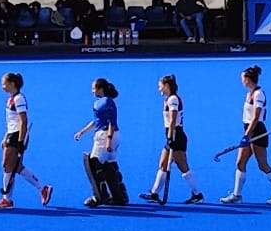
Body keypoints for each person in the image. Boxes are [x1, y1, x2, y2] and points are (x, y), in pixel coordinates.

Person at [220, 65, 271, 205]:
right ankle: (237, 195)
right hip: (248, 130)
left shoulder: (258, 94)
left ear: (248, 79)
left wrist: (247, 136)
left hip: (257, 131)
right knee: (240, 162)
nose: (241, 80)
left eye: (242, 78)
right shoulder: (249, 93)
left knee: (262, 164)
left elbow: (256, 117)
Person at [0, 71, 49, 209]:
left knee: (7, 165)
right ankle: (43, 188)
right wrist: (5, 136)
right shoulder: (10, 99)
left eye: (4, 84)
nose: (2, 87)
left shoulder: (19, 99)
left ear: (12, 84)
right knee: (15, 167)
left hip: (17, 135)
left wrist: (20, 142)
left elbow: (23, 121)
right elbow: (12, 121)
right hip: (12, 134)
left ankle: (6, 200)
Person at [142, 73, 201, 204]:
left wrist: (170, 137)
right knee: (163, 164)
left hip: (176, 136)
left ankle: (197, 194)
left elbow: (173, 119)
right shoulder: (169, 99)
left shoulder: (172, 99)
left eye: (160, 86)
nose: (159, 89)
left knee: (183, 166)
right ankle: (154, 194)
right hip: (172, 135)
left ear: (167, 86)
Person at [71, 78, 128, 207]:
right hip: (111, 135)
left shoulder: (106, 102)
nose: (92, 91)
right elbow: (96, 121)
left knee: (92, 163)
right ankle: (119, 196)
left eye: (94, 88)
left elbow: (111, 123)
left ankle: (99, 196)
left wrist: (108, 140)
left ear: (100, 89)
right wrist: (82, 131)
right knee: (110, 165)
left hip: (105, 136)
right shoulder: (101, 102)